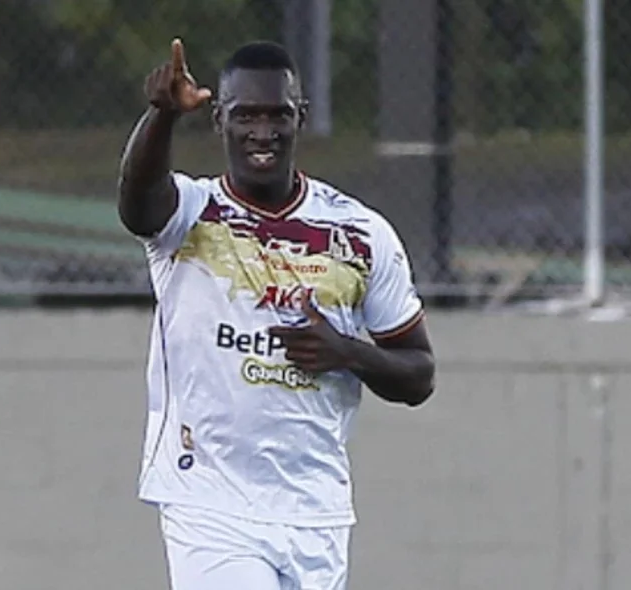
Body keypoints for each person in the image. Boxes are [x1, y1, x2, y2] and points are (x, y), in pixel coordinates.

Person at [117, 39, 438, 590]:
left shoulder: (361, 234)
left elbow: (419, 375)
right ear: (219, 119)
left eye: (277, 115)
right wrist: (163, 114)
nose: (261, 131)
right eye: (245, 116)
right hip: (210, 502)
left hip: (317, 509)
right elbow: (137, 203)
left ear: (301, 119)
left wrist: (347, 352)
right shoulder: (191, 214)